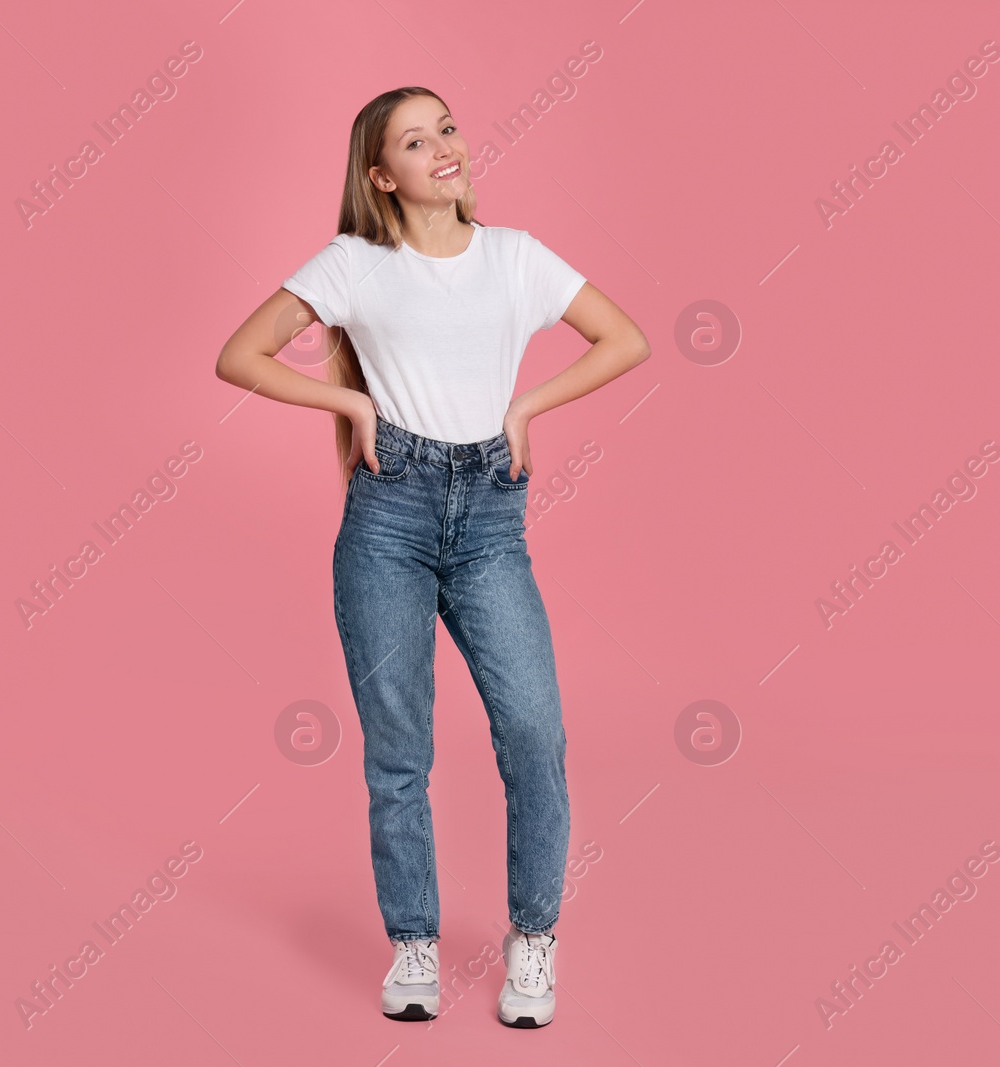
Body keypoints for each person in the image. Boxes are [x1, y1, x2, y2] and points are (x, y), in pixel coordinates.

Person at [215, 86, 649, 1028]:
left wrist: (526, 409)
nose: (444, 148)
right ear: (383, 177)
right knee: (399, 748)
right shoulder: (355, 265)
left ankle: (533, 940)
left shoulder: (516, 257)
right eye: (417, 142)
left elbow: (627, 338)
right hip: (389, 520)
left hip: (491, 518)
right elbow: (240, 354)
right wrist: (354, 407)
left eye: (447, 127)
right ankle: (414, 941)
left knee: (535, 732)